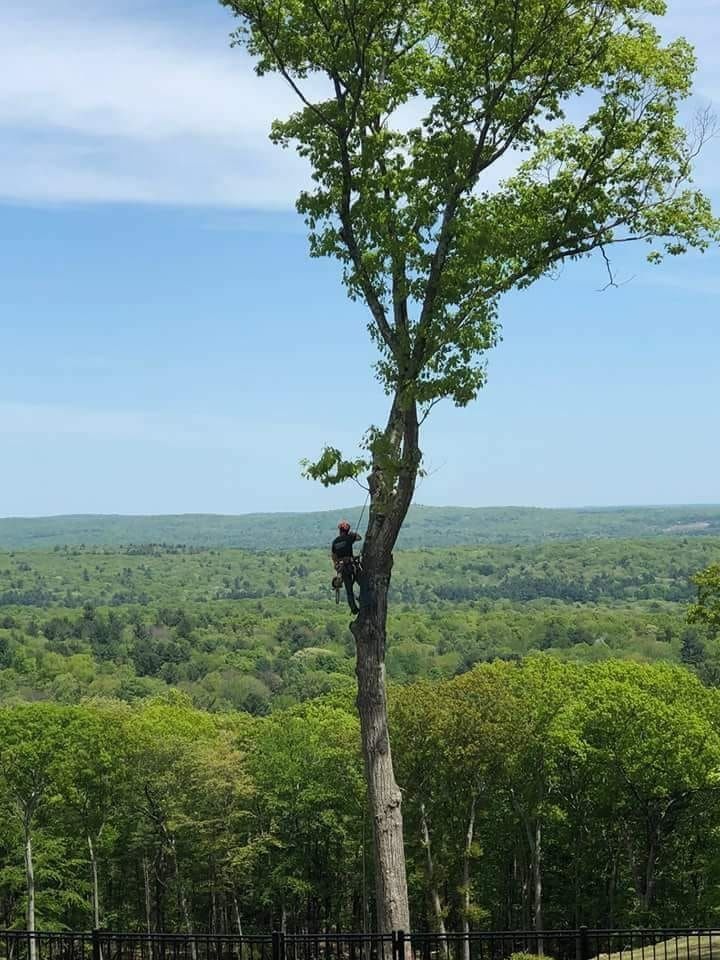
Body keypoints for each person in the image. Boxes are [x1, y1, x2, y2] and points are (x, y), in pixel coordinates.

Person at [331, 520, 362, 615]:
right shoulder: (350, 537)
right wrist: (352, 534)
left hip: (342, 568)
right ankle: (365, 599)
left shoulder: (335, 542)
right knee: (363, 583)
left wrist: (336, 564)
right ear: (347, 530)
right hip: (351, 566)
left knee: (349, 590)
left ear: (340, 530)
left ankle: (353, 608)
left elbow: (334, 556)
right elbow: (359, 538)